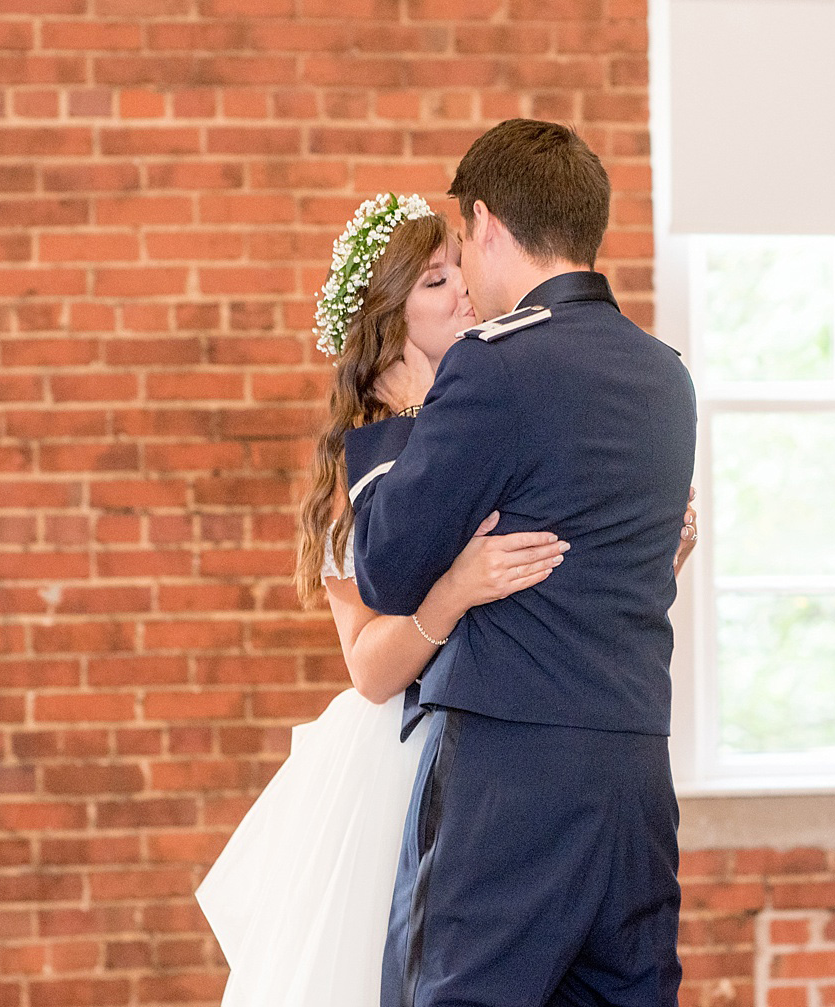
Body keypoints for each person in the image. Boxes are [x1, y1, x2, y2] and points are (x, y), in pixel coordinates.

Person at [195, 190, 697, 1006]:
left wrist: (650, 557)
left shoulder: (490, 415)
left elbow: (544, 590)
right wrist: (456, 590)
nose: (462, 288)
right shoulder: (370, 467)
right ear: (388, 321)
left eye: (454, 269)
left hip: (508, 749)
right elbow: (368, 667)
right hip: (409, 753)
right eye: (434, 283)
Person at [347, 120, 698, 1007]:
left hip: (512, 774)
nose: (463, 268)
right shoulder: (666, 376)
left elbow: (386, 572)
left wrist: (396, 425)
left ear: (487, 222)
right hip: (635, 772)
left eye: (461, 245)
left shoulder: (494, 364)